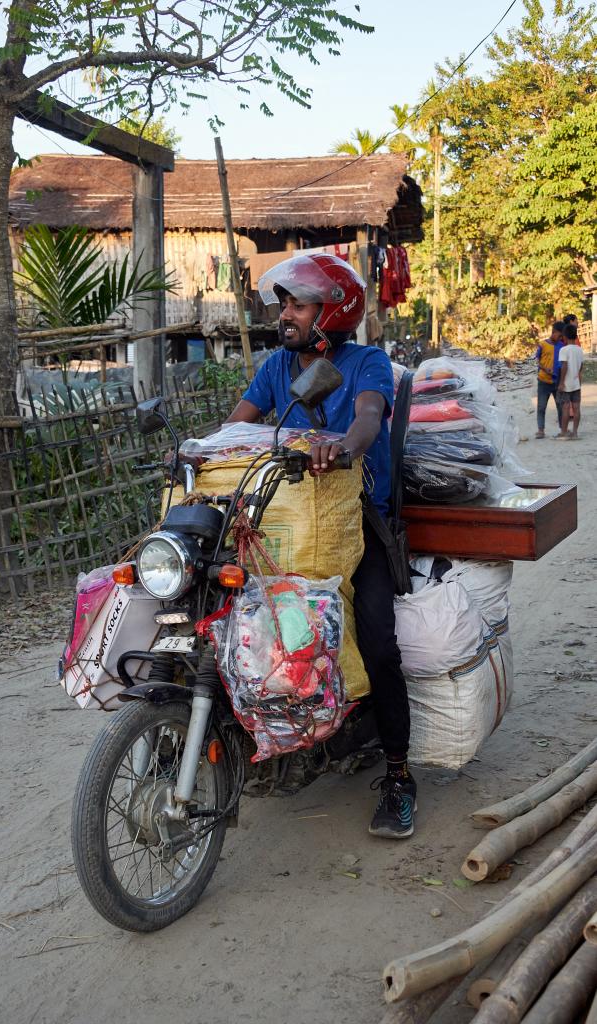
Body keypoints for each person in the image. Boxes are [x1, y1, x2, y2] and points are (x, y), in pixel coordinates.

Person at [225, 253, 416, 839]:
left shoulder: (366, 362)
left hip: (359, 524)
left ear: (332, 311)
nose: (286, 314)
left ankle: (400, 776)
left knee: (379, 644)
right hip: (287, 524)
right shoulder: (278, 367)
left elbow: (367, 416)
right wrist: (203, 446)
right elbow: (240, 424)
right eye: (284, 304)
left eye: (298, 305)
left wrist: (342, 447)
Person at [534, 322, 565, 438]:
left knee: (560, 406)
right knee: (541, 406)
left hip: (557, 382)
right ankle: (541, 430)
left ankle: (563, 429)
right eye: (560, 335)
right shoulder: (542, 345)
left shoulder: (562, 346)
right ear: (554, 332)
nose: (561, 338)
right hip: (543, 381)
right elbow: (536, 360)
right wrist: (544, 369)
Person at [557, 323, 584, 439]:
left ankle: (564, 432)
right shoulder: (579, 350)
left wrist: (561, 382)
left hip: (567, 383)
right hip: (576, 383)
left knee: (566, 408)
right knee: (577, 408)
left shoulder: (564, 350)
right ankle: (575, 433)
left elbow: (564, 366)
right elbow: (581, 366)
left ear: (565, 336)